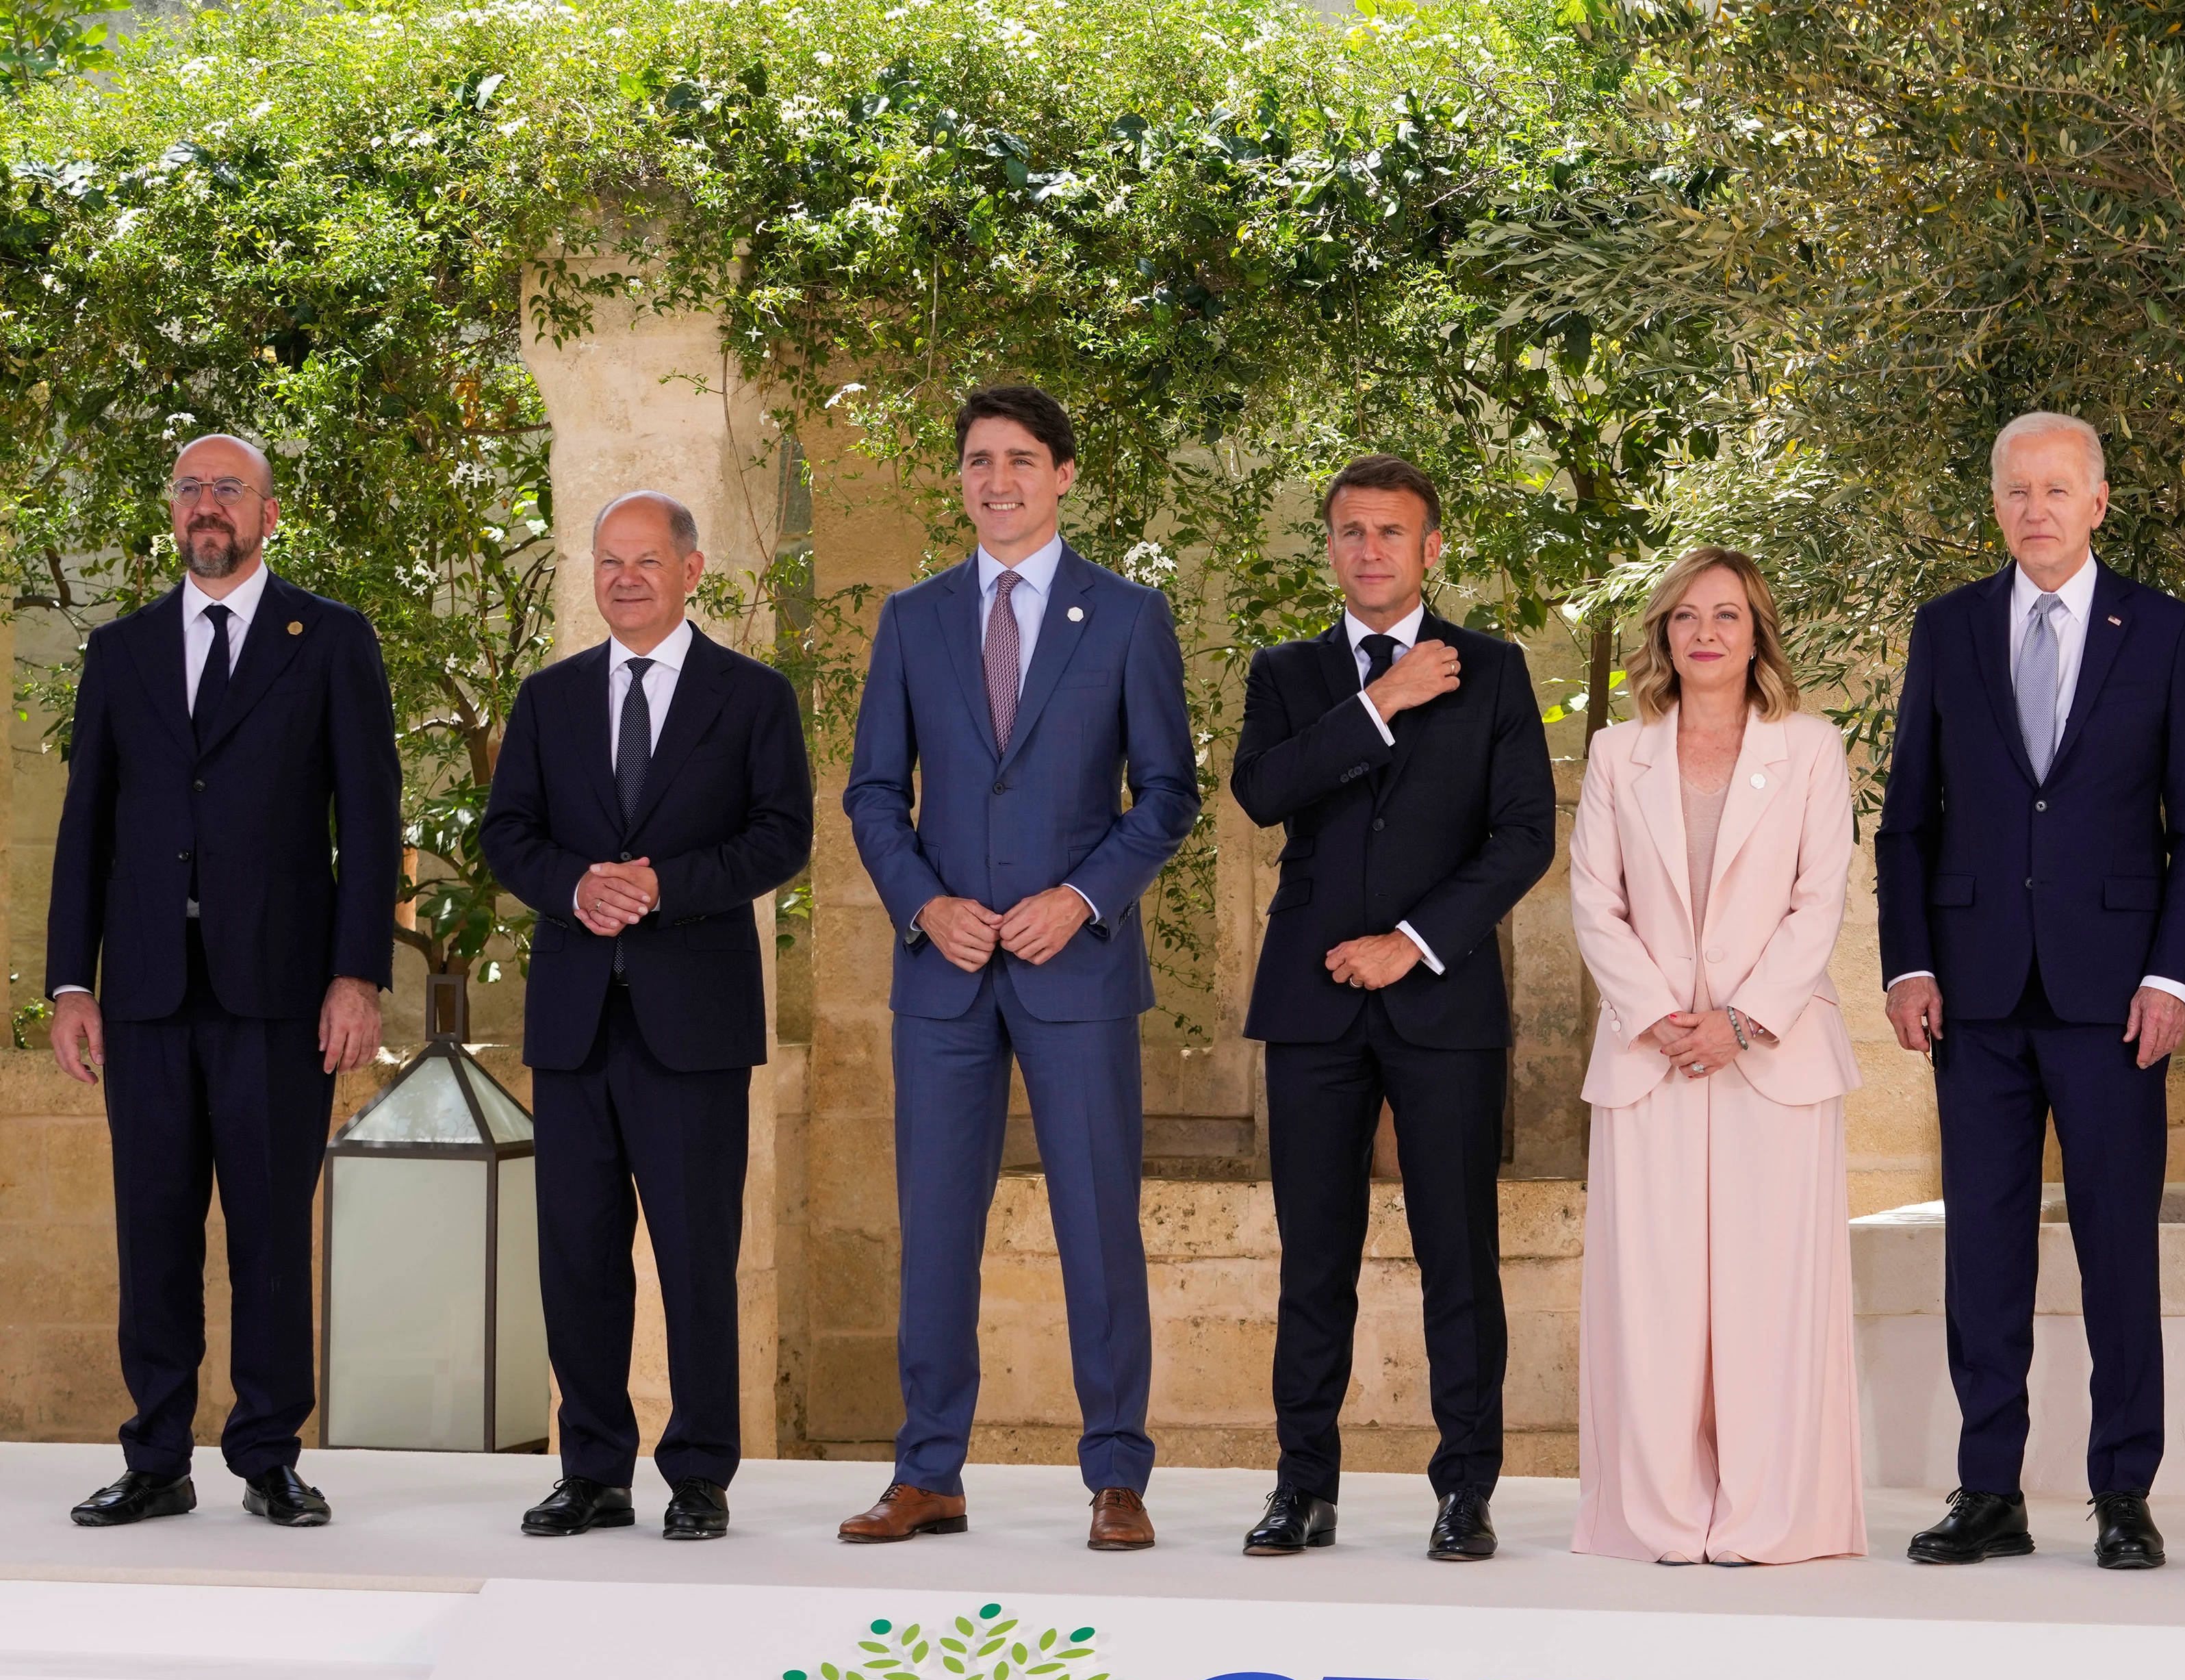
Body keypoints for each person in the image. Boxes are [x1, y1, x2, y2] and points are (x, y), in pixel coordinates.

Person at [838, 386, 1200, 1551]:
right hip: (943, 973)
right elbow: (873, 793)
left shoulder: (1131, 618)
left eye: (1023, 460)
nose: (999, 480)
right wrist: (924, 903)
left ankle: (1117, 1475)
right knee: (935, 1224)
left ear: (1064, 476)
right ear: (962, 478)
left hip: (1075, 966)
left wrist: (1082, 897)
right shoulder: (912, 618)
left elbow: (1170, 795)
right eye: (980, 461)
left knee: (1100, 1224)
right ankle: (927, 1470)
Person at [1876, 411, 2185, 1571]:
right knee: (1983, 1252)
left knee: (2118, 1248)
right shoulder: (1946, 629)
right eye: (2017, 490)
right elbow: (1908, 821)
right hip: (1973, 999)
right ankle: (1990, 1490)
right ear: (1996, 505)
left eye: (2057, 490)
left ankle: (2123, 1493)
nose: (2036, 508)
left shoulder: (2167, 634)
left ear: (2099, 501)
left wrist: (2175, 975)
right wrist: (1911, 961)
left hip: (2117, 1000)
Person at [48, 433, 398, 1530]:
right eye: (193, 489)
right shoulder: (122, 651)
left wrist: (356, 973)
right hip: (147, 993)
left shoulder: (332, 641)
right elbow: (86, 827)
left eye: (229, 491)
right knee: (152, 1230)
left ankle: (267, 1455)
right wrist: (70, 982)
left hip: (281, 993)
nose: (209, 507)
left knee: (268, 1239)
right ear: (175, 511)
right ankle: (156, 1455)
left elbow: (370, 821)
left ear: (269, 514)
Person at [1228, 455, 1557, 1563]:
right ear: (1331, 545)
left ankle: (1465, 1493)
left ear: (1432, 548)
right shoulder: (1287, 672)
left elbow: (1524, 838)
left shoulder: (1498, 670)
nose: (1369, 549)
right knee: (1312, 1256)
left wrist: (1410, 946)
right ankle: (1301, 1488)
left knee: (1459, 1253)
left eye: (1391, 532)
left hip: (1443, 1001)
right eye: (1351, 532)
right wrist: (1380, 702)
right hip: (1310, 1004)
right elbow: (1264, 792)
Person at [477, 491, 813, 1542]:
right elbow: (508, 835)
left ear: (691, 569)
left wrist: (663, 883)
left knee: (694, 1256)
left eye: (646, 560)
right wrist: (578, 885)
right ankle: (594, 1472)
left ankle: (702, 1472)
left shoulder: (751, 696)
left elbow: (780, 837)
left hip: (693, 1020)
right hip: (576, 1019)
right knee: (577, 1255)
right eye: (609, 561)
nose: (625, 577)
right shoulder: (549, 698)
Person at [1566, 548, 1867, 1566]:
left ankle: (1769, 1517)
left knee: (1767, 1295)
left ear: (1756, 634)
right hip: (1649, 1059)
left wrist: (1737, 1023)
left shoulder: (1814, 749)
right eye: (1687, 614)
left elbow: (1817, 901)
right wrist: (1660, 1015)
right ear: (1663, 631)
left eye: (1727, 615)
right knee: (1650, 1298)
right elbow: (1594, 904)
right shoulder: (1618, 754)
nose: (1705, 632)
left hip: (1771, 1060)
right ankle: (1654, 1515)